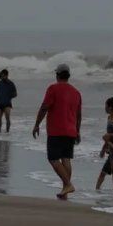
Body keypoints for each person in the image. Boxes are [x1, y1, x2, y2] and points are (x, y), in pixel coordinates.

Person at [32, 63, 82, 199]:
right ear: (69, 76)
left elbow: (44, 107)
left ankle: (68, 184)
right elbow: (79, 114)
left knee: (53, 159)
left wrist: (37, 124)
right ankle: (65, 190)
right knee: (66, 159)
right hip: (71, 130)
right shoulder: (76, 92)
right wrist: (78, 131)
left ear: (57, 75)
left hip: (56, 130)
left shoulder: (53, 89)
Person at [0, 68, 17, 133]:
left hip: (7, 104)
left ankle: (7, 131)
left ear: (6, 75)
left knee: (7, 118)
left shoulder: (11, 84)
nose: (1, 77)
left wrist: (9, 96)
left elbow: (15, 94)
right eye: (1, 75)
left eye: (2, 75)